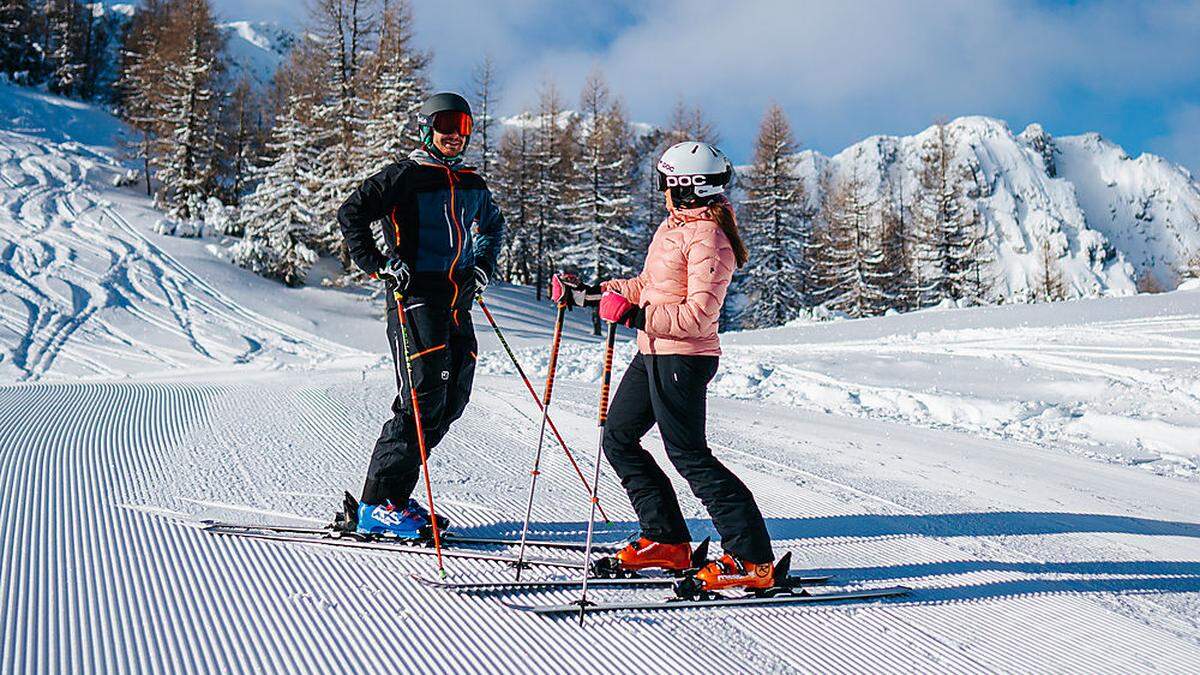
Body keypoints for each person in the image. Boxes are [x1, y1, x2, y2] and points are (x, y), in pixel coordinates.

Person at [555, 141, 775, 591]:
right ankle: (667, 541)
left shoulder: (710, 239)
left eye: (666, 183)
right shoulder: (675, 228)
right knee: (618, 437)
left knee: (689, 455)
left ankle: (753, 559)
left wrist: (632, 315)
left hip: (685, 357)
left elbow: (698, 317)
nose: (662, 192)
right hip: (653, 350)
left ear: (687, 187)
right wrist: (590, 293)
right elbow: (645, 286)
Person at [337, 92, 503, 538]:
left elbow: (492, 225)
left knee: (452, 401)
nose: (453, 135)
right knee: (421, 397)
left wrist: (482, 267)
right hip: (415, 298)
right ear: (426, 128)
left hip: (457, 300)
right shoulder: (404, 177)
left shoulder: (471, 182)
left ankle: (395, 495)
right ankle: (377, 505)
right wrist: (378, 263)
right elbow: (351, 212)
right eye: (445, 125)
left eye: (462, 127)